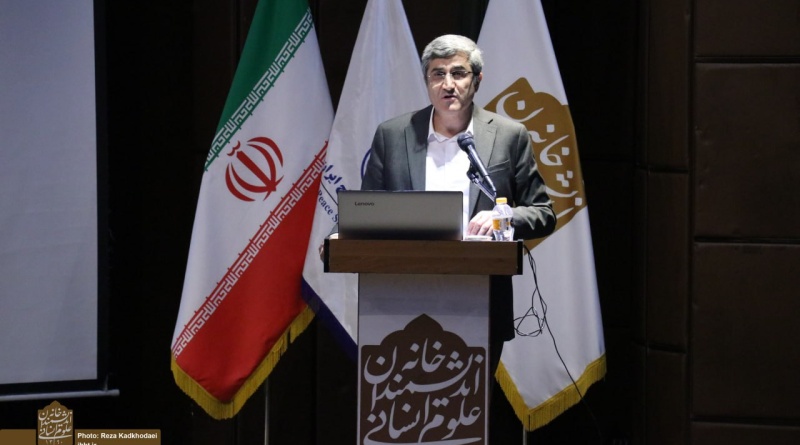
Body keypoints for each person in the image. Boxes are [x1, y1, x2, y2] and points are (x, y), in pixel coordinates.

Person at [360, 34, 557, 440]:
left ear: (477, 80)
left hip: (479, 301)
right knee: (402, 422)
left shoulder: (509, 135)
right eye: (438, 74)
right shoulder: (392, 135)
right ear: (427, 81)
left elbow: (543, 213)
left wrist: (503, 217)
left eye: (458, 73)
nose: (448, 84)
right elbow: (367, 212)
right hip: (399, 303)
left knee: (464, 420)